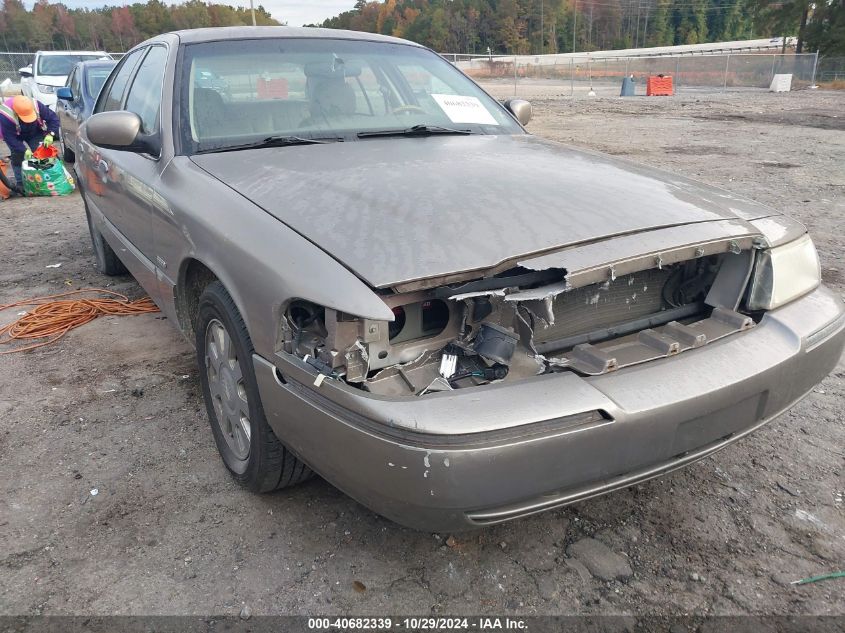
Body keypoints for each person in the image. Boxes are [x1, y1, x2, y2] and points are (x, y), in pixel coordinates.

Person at [0, 95, 60, 188]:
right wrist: (23, 150)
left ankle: (48, 180)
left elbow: (53, 119)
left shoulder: (36, 105)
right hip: (15, 134)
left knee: (41, 152)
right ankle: (21, 184)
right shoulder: (5, 115)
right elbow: (9, 137)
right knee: (17, 156)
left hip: (34, 131)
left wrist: (51, 134)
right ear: (16, 113)